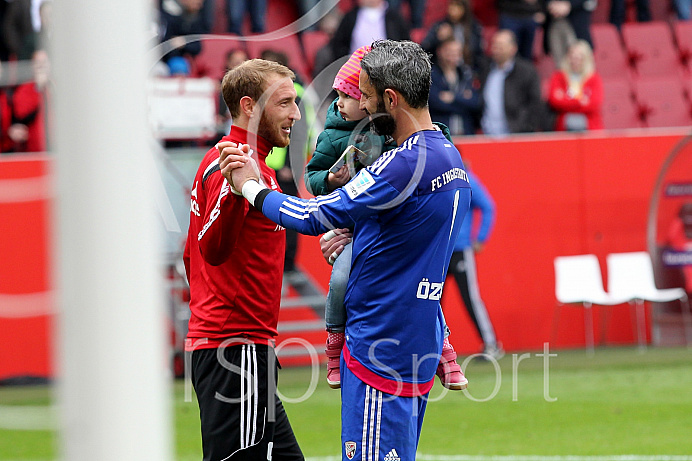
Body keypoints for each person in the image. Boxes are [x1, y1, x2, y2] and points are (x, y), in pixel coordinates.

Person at [219, 39, 472, 461]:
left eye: (367, 97)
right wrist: (363, 235)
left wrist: (250, 186)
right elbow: (408, 235)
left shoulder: (402, 163)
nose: (360, 109)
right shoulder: (449, 156)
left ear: (391, 99)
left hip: (379, 349)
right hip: (415, 347)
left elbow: (312, 216)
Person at [305, 44, 468, 392]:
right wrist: (330, 182)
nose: (344, 105)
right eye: (345, 97)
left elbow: (425, 153)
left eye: (353, 96)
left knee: (422, 285)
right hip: (352, 225)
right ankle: (335, 342)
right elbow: (313, 178)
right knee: (340, 280)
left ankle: (442, 347)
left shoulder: (390, 129)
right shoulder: (334, 134)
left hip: (387, 226)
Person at [183, 58, 304, 461]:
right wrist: (238, 195)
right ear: (250, 106)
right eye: (285, 103)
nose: (295, 114)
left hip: (239, 345)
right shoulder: (233, 164)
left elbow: (191, 256)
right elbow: (210, 249)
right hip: (235, 348)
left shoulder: (246, 164)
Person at [446, 167, 503, 360]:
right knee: (431, 301)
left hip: (461, 249)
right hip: (440, 252)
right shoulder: (436, 180)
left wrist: (481, 237)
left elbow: (487, 206)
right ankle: (433, 348)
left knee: (470, 298)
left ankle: (492, 345)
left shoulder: (466, 179)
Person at [479, 29, 544, 136]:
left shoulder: (526, 72)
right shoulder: (486, 69)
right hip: (488, 135)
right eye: (494, 45)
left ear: (513, 49)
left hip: (515, 136)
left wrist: (524, 128)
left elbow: (535, 103)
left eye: (501, 46)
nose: (496, 50)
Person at [429, 37, 481, 136]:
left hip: (466, 133)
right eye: (449, 51)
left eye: (457, 52)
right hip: (441, 134)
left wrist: (453, 98)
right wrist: (463, 100)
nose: (453, 55)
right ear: (440, 51)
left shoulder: (467, 74)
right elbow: (435, 104)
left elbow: (475, 102)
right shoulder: (432, 75)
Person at [546, 40, 603, 132]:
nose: (575, 61)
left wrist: (566, 100)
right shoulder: (558, 77)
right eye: (573, 57)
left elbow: (594, 104)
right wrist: (580, 101)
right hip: (563, 127)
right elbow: (554, 101)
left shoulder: (594, 78)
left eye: (580, 58)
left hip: (590, 127)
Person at [328, 0, 409, 60]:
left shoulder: (394, 17)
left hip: (388, 67)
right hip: (355, 67)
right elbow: (339, 44)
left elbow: (405, 44)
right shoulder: (350, 16)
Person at [421, 0, 484, 73]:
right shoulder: (441, 26)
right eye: (451, 5)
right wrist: (437, 38)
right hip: (442, 71)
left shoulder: (474, 28)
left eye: (458, 6)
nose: (453, 9)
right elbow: (424, 49)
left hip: (467, 70)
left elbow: (479, 54)